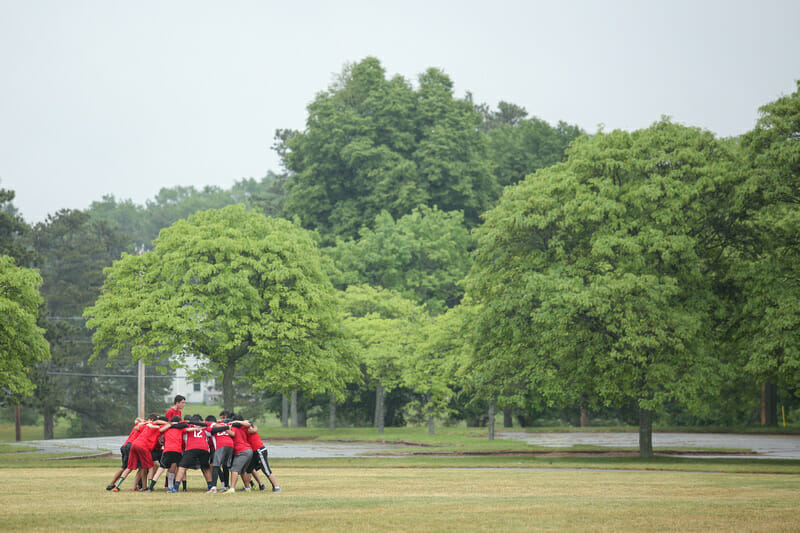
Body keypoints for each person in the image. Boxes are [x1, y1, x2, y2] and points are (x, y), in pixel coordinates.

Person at [112, 414, 168, 492]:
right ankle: (148, 488)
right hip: (144, 447)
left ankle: (117, 486)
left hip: (134, 445)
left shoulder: (147, 426)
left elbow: (136, 427)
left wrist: (145, 422)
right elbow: (165, 427)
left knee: (130, 467)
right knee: (150, 467)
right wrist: (170, 424)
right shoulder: (159, 427)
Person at [172, 417, 214, 493]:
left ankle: (176, 487)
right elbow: (211, 433)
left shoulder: (187, 426)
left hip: (191, 448)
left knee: (182, 467)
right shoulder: (204, 428)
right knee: (206, 468)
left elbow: (181, 431)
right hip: (204, 448)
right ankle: (210, 486)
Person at [148, 415, 189, 491]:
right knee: (179, 468)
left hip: (167, 450)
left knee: (161, 469)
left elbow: (159, 429)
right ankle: (183, 488)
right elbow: (187, 427)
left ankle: (151, 487)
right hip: (177, 450)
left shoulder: (166, 428)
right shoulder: (181, 429)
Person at [106, 417, 144, 490]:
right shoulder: (145, 425)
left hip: (125, 446)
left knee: (124, 467)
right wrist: (147, 422)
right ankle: (135, 486)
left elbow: (137, 419)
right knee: (134, 467)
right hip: (131, 447)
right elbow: (137, 418)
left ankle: (112, 484)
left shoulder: (140, 424)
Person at [244, 423, 281, 492]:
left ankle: (276, 487)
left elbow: (252, 429)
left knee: (266, 469)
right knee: (248, 469)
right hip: (254, 452)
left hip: (259, 451)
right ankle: (247, 488)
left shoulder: (249, 429)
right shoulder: (247, 429)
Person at [206, 416, 235, 493]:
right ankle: (226, 486)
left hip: (221, 445)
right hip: (230, 444)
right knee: (225, 466)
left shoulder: (211, 426)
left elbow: (208, 434)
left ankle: (213, 487)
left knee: (215, 465)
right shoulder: (224, 424)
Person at [225, 416, 253, 493]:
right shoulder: (243, 428)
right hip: (249, 450)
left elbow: (233, 434)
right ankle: (247, 488)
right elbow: (248, 423)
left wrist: (225, 428)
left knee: (234, 470)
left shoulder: (233, 428)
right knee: (243, 471)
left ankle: (232, 488)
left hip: (242, 451)